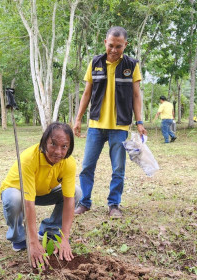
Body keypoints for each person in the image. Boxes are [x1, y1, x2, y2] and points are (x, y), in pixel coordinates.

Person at [73, 26, 147, 219]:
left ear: (125, 45)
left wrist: (139, 121)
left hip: (120, 126)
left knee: (118, 168)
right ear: (105, 42)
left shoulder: (132, 65)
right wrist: (78, 118)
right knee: (87, 166)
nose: (114, 50)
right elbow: (87, 93)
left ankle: (114, 204)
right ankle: (84, 202)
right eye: (111, 45)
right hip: (96, 126)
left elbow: (136, 95)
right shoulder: (95, 62)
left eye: (119, 46)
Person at [0, 122, 81, 269]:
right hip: (17, 191)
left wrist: (65, 238)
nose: (58, 151)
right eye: (53, 144)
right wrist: (32, 242)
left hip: (43, 192)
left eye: (64, 146)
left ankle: (49, 231)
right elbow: (28, 202)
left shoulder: (68, 163)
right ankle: (18, 237)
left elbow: (69, 200)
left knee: (76, 192)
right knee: (14, 200)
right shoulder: (29, 158)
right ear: (44, 142)